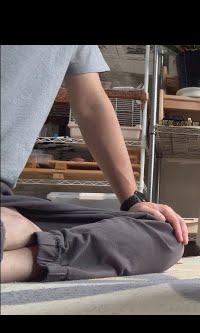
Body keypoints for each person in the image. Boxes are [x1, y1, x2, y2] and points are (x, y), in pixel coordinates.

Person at [0, 45, 189, 283]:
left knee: (164, 236)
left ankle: (14, 255)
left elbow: (91, 105)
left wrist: (133, 201)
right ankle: (14, 234)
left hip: (6, 200)